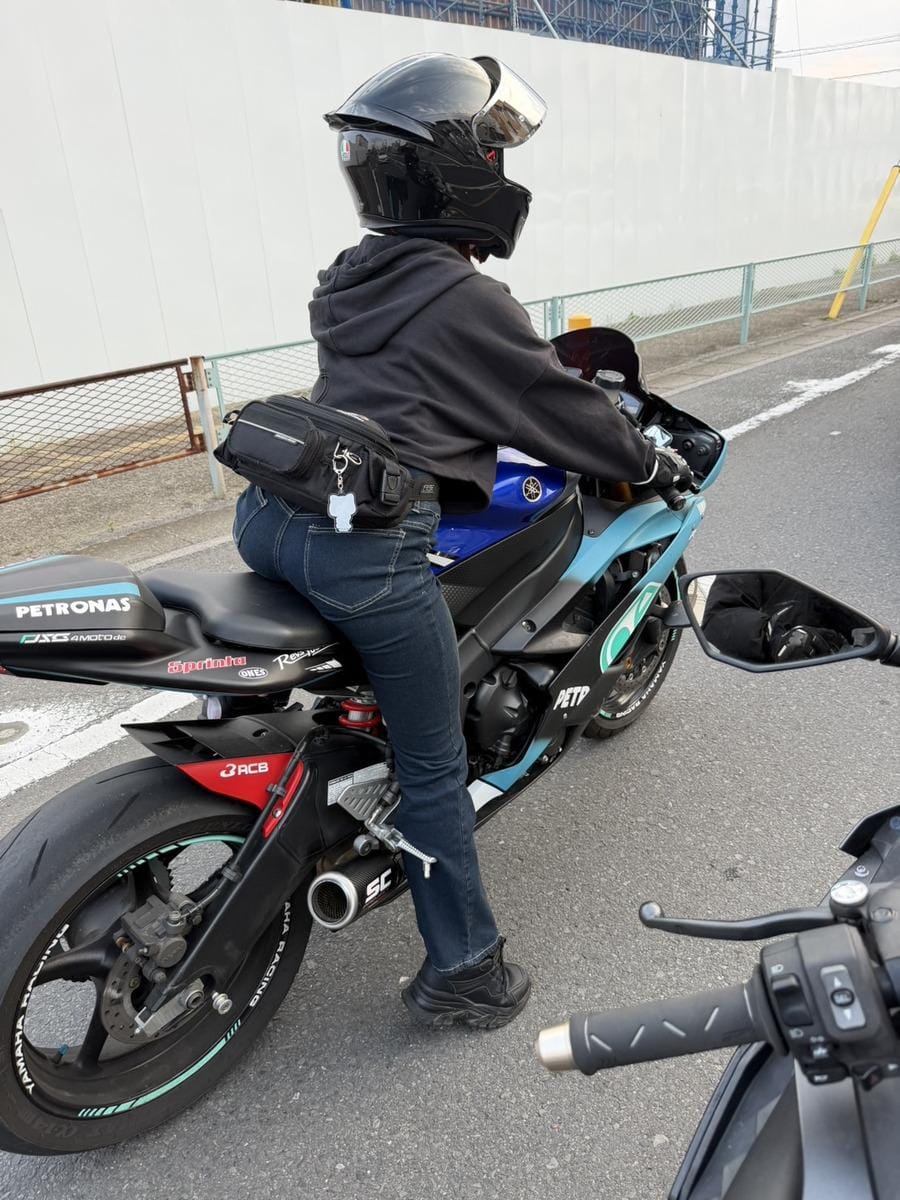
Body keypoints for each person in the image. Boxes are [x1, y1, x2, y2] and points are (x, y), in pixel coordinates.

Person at [233, 52, 692, 1029]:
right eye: (490, 151)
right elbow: (555, 408)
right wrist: (647, 463)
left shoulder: (351, 277)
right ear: (454, 174)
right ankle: (466, 973)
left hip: (276, 519)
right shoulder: (466, 300)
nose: (500, 166)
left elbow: (417, 391)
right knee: (433, 764)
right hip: (366, 550)